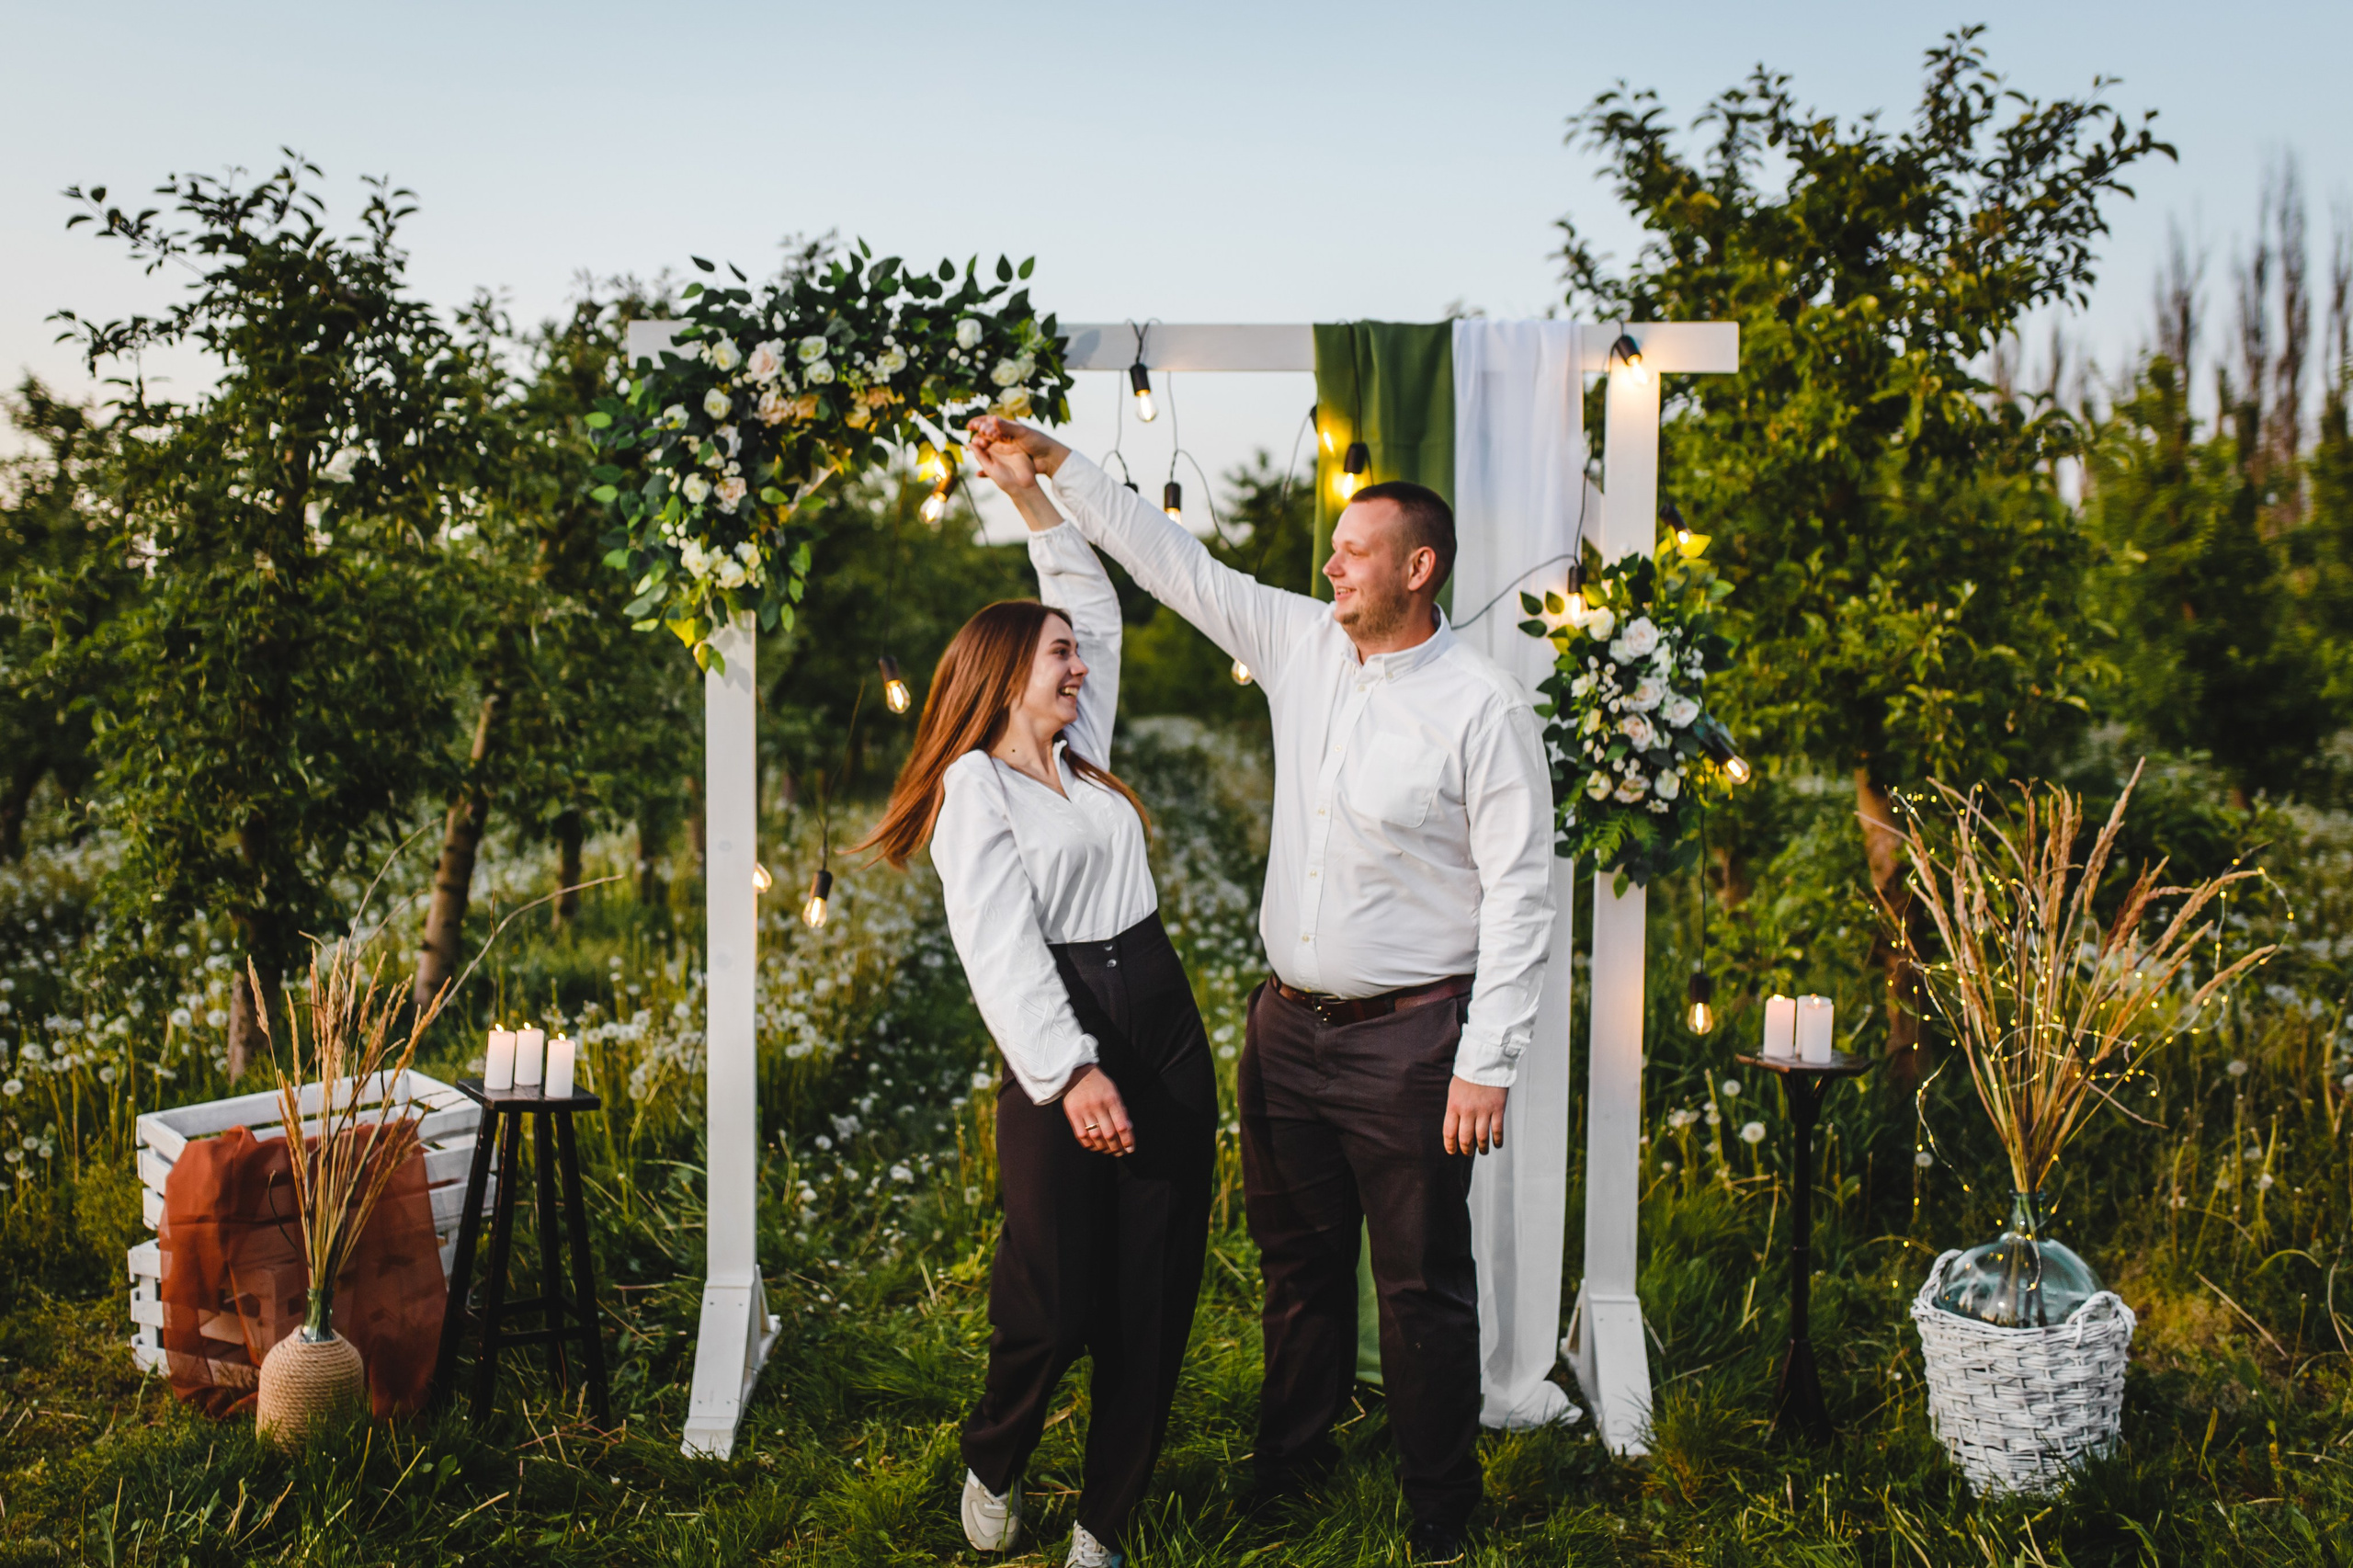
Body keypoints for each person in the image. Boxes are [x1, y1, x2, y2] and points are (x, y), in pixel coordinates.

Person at [966, 416, 1555, 1562]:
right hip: (1286, 1030)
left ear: (1416, 568)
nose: (1329, 565)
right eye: (1332, 550)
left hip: (1413, 1040)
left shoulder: (1482, 706)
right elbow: (1173, 562)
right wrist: (1057, 468)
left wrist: (1487, 1057)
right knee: (1296, 1267)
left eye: (1353, 550)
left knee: (1423, 1283)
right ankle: (1292, 1463)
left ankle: (1439, 1508)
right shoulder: (1298, 643)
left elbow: (1522, 891)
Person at [854, 439, 1214, 1568]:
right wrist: (1068, 1070)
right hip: (1061, 1026)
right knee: (1052, 1297)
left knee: (1152, 1295)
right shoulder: (977, 784)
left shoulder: (1085, 755)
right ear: (1009, 670)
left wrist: (1027, 493)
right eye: (1058, 657)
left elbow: (1089, 604)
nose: (1079, 667)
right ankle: (995, 1450)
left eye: (1074, 655)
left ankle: (1103, 1523)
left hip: (1160, 1014)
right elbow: (998, 945)